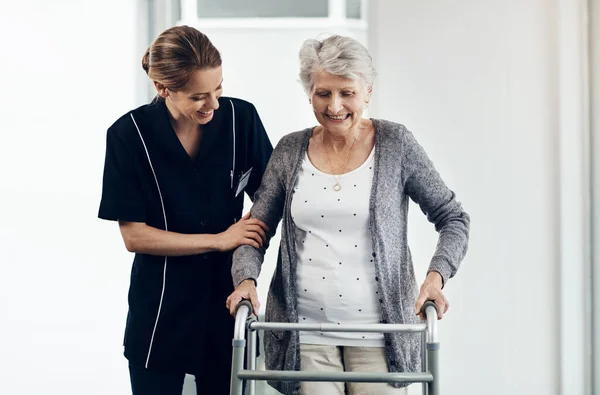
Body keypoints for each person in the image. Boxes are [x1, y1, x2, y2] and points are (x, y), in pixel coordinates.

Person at [225, 35, 470, 395]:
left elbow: (453, 218)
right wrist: (245, 279)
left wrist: (435, 278)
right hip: (303, 332)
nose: (334, 105)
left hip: (383, 334)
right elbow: (255, 229)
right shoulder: (290, 150)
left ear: (368, 92)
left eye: (347, 93)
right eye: (323, 93)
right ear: (310, 93)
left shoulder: (395, 144)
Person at [98, 26, 272, 395]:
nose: (214, 104)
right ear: (163, 89)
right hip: (160, 312)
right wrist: (220, 239)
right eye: (198, 97)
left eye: (218, 89)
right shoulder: (128, 137)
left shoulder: (242, 120)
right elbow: (134, 236)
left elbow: (271, 201)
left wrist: (247, 273)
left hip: (227, 306)